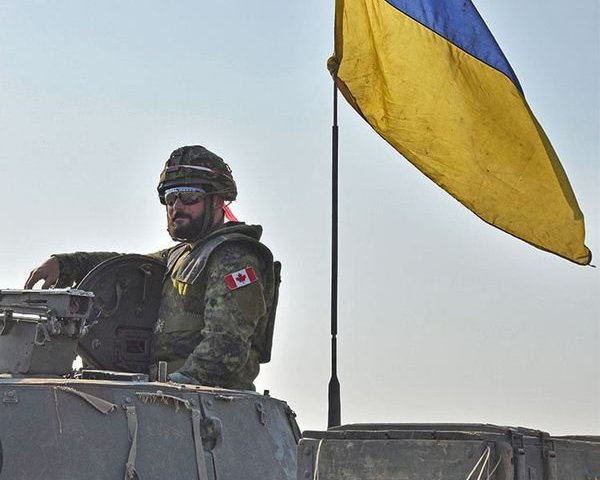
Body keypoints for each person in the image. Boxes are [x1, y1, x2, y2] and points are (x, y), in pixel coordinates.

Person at [24, 146, 279, 391]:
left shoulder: (233, 257)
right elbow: (127, 266)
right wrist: (65, 264)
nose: (177, 207)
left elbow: (227, 344)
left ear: (218, 201)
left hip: (208, 401)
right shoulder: (180, 255)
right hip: (170, 396)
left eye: (189, 196)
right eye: (170, 198)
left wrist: (175, 387)